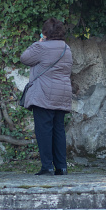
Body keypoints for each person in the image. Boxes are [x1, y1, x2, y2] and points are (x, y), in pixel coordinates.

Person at [20, 18, 73, 176]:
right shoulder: (66, 48)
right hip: (62, 93)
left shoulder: (41, 47)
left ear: (45, 32)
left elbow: (24, 58)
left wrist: (39, 41)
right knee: (58, 130)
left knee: (44, 130)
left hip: (43, 93)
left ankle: (47, 166)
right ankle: (61, 167)